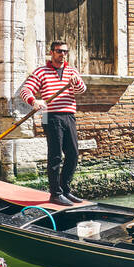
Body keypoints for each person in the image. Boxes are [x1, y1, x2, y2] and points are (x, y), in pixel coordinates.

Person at [18, 41, 88, 206]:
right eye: (59, 51)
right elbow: (25, 90)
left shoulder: (71, 71)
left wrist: (76, 82)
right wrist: (34, 101)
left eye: (65, 51)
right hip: (48, 115)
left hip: (68, 115)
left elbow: (81, 90)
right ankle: (55, 194)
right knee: (55, 155)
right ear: (51, 52)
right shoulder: (41, 72)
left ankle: (65, 189)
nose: (62, 54)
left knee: (73, 154)